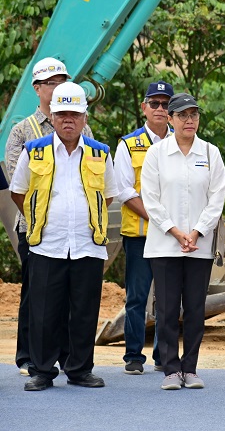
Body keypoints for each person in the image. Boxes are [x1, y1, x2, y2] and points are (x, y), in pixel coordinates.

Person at [9, 82, 118, 391]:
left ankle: (80, 369)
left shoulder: (100, 153)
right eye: (62, 114)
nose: (68, 120)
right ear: (52, 117)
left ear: (85, 117)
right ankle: (42, 371)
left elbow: (108, 195)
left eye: (74, 114)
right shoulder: (35, 151)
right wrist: (42, 217)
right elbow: (19, 192)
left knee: (84, 311)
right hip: (47, 243)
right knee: (44, 311)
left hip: (87, 245)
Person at [4, 57, 94, 377]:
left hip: (75, 230)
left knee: (71, 295)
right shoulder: (21, 131)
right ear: (38, 88)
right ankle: (29, 356)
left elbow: (91, 175)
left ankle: (69, 358)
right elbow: (19, 184)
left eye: (62, 81)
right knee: (36, 295)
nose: (58, 87)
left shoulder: (82, 125)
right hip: (35, 228)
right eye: (52, 83)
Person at [140, 93, 225, 390]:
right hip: (165, 244)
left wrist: (198, 232)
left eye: (194, 115)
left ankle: (190, 368)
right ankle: (170, 370)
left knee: (194, 309)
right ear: (172, 119)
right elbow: (150, 199)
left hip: (199, 246)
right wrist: (176, 231)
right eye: (183, 115)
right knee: (165, 309)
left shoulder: (210, 153)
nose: (189, 120)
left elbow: (217, 199)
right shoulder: (157, 154)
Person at [114, 80, 174, 375]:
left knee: (167, 296)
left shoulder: (185, 142)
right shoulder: (128, 144)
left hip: (173, 236)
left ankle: (164, 356)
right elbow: (124, 190)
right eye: (155, 103)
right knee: (136, 296)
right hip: (140, 233)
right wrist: (159, 218)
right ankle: (133, 356)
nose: (161, 109)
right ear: (144, 108)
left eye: (166, 104)